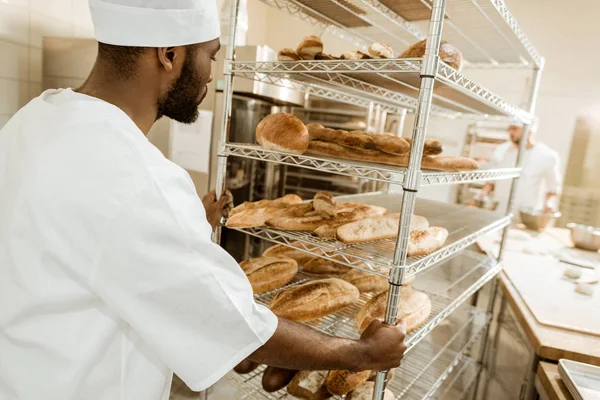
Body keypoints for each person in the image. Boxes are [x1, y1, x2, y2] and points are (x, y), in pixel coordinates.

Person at [0, 1, 407, 399]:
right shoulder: (136, 176)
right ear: (169, 55)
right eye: (210, 57)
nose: (212, 74)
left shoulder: (35, 119)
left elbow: (92, 238)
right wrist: (364, 353)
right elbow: (231, 323)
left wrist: (191, 222)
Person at [480, 119, 562, 215]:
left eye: (515, 129)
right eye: (509, 129)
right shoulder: (501, 150)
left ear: (529, 130)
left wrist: (548, 203)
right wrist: (483, 193)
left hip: (525, 213)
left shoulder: (547, 155)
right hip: (499, 210)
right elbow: (492, 179)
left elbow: (553, 186)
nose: (511, 132)